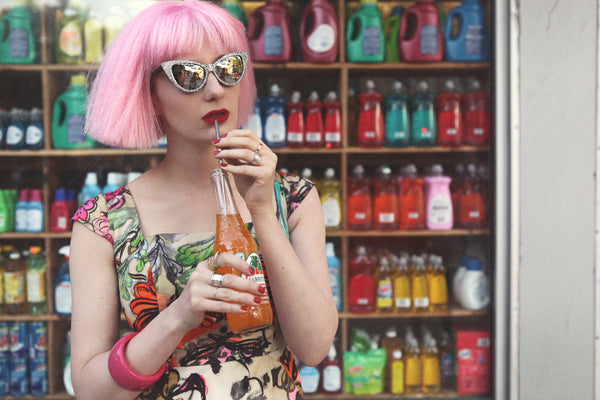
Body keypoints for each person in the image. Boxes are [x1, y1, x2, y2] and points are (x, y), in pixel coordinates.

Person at [69, 1, 338, 399]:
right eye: (188, 75)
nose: (215, 89)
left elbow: (315, 347)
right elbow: (91, 390)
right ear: (151, 94)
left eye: (228, 68)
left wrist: (262, 212)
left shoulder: (293, 199)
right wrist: (177, 317)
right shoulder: (104, 221)